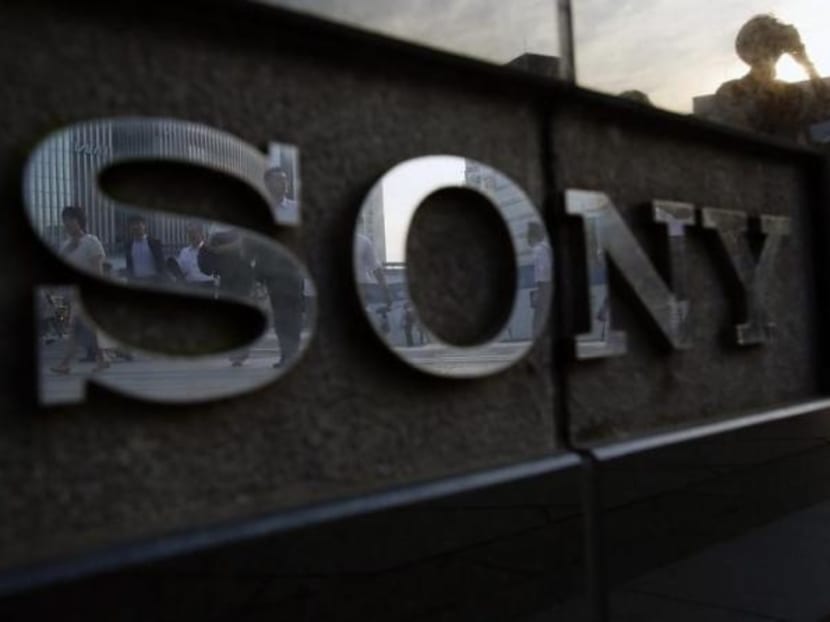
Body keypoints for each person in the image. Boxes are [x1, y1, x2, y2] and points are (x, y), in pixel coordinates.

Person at [707, 14, 830, 141]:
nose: (765, 54)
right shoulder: (731, 92)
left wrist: (805, 60)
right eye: (764, 46)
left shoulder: (794, 94)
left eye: (772, 47)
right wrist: (805, 62)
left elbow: (824, 122)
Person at [50, 206, 109, 374]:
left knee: (75, 327)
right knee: (87, 327)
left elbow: (98, 269)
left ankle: (65, 363)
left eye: (71, 219)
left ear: (80, 221)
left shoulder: (92, 241)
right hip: (72, 293)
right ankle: (102, 358)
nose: (67, 223)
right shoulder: (65, 245)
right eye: (65, 220)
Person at [527, 222, 552, 335]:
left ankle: (536, 334)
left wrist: (543, 283)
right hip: (548, 283)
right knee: (544, 309)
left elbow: (544, 268)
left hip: (544, 283)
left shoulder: (538, 249)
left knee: (540, 310)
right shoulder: (546, 247)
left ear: (533, 237)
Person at [125, 215, 167, 283]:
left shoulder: (154, 242)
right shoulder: (128, 245)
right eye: (133, 224)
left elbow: (162, 264)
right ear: (129, 228)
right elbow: (129, 265)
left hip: (154, 281)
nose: (135, 227)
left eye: (138, 224)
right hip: (136, 281)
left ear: (144, 226)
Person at [176, 223, 215, 289]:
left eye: (193, 232)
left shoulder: (210, 249)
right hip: (190, 286)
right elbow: (180, 271)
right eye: (189, 233)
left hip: (208, 285)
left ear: (201, 233)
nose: (191, 235)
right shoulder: (184, 252)